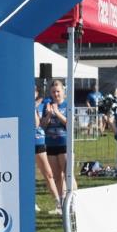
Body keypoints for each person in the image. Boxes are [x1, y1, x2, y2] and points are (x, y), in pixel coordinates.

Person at [40, 79, 74, 213]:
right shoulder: (47, 105)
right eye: (53, 92)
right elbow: (42, 125)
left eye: (58, 91)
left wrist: (57, 113)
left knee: (68, 174)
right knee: (57, 176)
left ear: (63, 92)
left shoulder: (67, 105)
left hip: (64, 143)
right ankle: (61, 203)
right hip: (51, 144)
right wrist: (48, 114)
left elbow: (69, 124)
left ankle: (74, 202)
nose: (56, 94)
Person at [34, 86, 61, 214]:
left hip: (38, 140)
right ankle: (31, 203)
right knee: (28, 175)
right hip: (25, 141)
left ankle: (58, 203)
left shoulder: (43, 104)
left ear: (36, 92)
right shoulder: (23, 103)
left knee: (48, 173)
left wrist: (49, 114)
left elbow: (41, 125)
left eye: (33, 91)